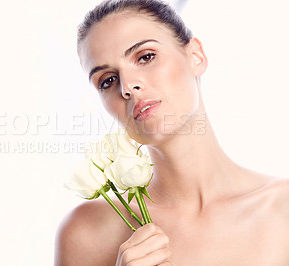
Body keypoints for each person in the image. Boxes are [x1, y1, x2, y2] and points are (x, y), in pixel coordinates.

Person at [55, 0, 289, 265]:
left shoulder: (283, 209)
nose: (128, 87)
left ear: (195, 56)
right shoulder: (89, 232)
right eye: (107, 80)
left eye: (145, 57)